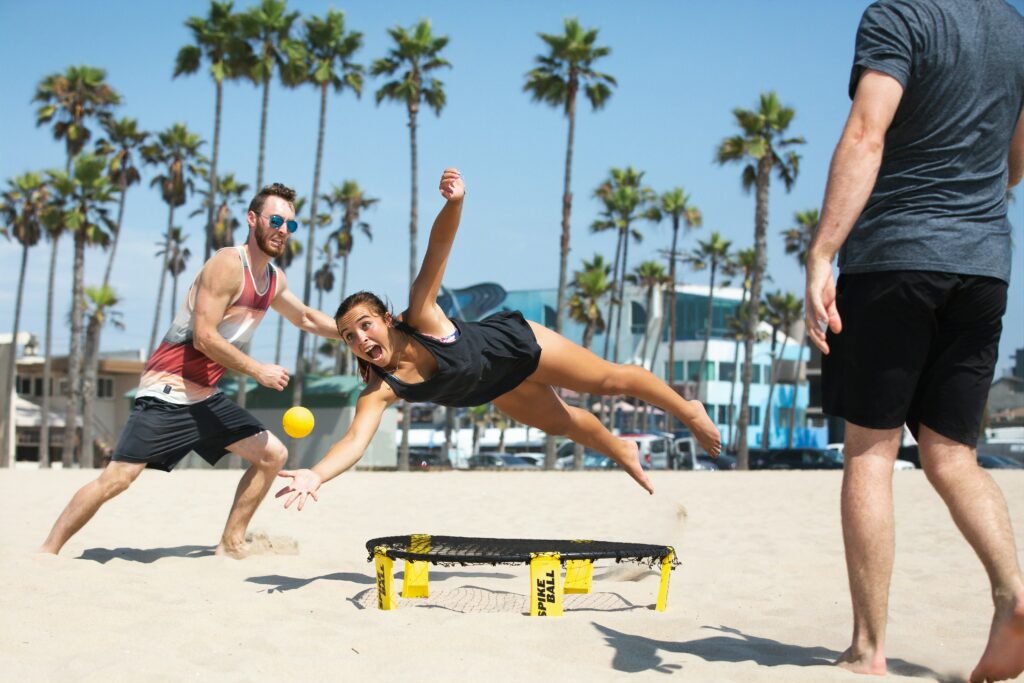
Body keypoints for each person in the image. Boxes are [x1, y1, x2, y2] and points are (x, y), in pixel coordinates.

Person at [274, 167, 721, 506]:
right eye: (350, 336)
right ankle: (621, 448)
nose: (359, 338)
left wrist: (455, 204)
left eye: (365, 324)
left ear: (387, 319)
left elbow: (438, 250)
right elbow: (353, 441)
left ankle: (687, 408)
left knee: (608, 380)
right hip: (493, 386)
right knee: (565, 423)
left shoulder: (422, 315)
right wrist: (316, 474)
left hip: (515, 345)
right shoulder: (378, 392)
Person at [804, 1, 1024, 680]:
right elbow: (1018, 154)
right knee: (952, 452)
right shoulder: (1016, 26)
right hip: (984, 262)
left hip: (897, 257)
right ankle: (1014, 592)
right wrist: (975, 200)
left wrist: (822, 253)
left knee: (870, 452)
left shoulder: (900, 16)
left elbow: (867, 132)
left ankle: (867, 647)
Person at [39, 183, 343, 559]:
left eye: (290, 225)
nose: (283, 230)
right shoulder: (229, 265)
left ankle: (231, 543)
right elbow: (203, 337)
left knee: (272, 455)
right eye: (276, 220)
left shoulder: (274, 280)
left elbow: (308, 318)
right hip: (168, 390)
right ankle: (47, 551)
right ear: (253, 219)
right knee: (118, 478)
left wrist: (356, 331)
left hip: (204, 396)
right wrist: (258, 370)